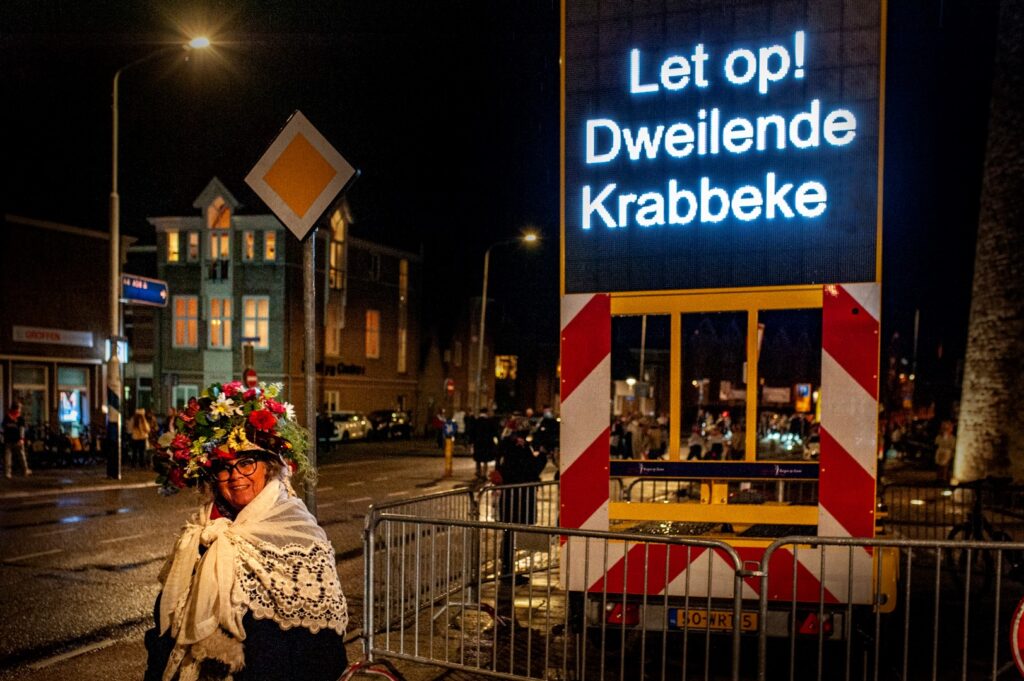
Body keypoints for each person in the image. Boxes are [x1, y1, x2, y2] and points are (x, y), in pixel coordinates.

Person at [144, 380, 349, 681]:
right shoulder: (202, 530)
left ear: (269, 466)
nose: (235, 476)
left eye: (247, 462)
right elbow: (167, 623)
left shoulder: (299, 533)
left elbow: (320, 650)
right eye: (224, 467)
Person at [491, 423, 547, 583]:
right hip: (519, 498)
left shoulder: (506, 446)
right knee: (512, 533)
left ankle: (507, 569)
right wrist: (542, 456)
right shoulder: (519, 448)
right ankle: (507, 572)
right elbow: (531, 469)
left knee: (510, 533)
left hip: (511, 497)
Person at [3, 401, 31, 478]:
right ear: (17, 409)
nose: (20, 410)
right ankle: (25, 470)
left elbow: (4, 427)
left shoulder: (7, 417)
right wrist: (22, 439)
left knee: (8, 456)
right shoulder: (20, 418)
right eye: (19, 408)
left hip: (8, 439)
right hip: (16, 440)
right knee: (21, 455)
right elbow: (22, 429)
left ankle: (8, 473)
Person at [472, 408, 498, 480]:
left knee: (478, 458)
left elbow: (472, 432)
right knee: (485, 459)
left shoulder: (476, 421)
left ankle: (478, 471)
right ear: (486, 412)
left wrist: (472, 441)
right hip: (487, 443)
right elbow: (494, 432)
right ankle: (484, 473)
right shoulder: (489, 421)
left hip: (478, 442)